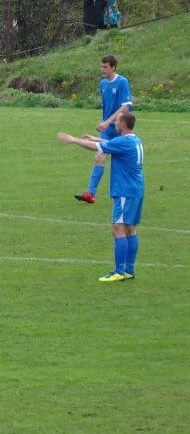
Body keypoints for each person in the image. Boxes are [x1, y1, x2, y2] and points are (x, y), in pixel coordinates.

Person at [58, 112, 144, 282]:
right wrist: (94, 138)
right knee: (130, 229)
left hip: (125, 191)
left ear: (124, 124)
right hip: (136, 190)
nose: (115, 124)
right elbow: (110, 144)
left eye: (117, 122)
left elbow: (99, 148)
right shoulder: (135, 140)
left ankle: (119, 271)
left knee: (118, 229)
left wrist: (74, 140)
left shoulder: (123, 142)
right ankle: (129, 270)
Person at [74, 54, 133, 204]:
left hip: (121, 128)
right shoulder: (102, 84)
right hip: (107, 128)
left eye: (105, 67)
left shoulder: (122, 82)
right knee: (99, 156)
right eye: (101, 66)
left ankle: (128, 191)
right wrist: (105, 123)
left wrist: (107, 122)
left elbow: (125, 107)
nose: (102, 69)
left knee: (122, 161)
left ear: (113, 67)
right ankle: (90, 194)